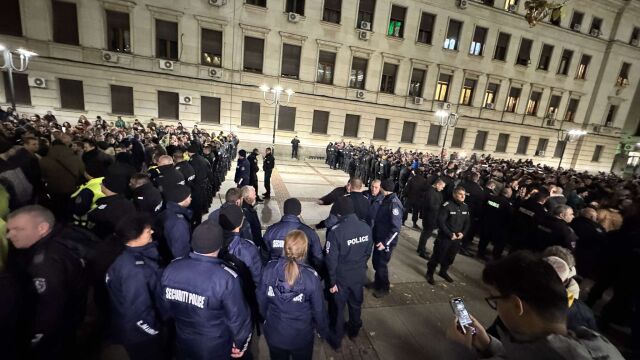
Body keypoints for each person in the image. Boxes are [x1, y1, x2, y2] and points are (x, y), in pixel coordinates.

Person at [447, 251, 623, 360]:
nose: (496, 307)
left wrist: (461, 348)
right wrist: (488, 345)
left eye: (495, 300)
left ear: (517, 305)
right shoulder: (588, 342)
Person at [6, 205, 88, 359]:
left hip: (54, 337)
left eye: (18, 229)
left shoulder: (45, 264)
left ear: (42, 228)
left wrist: (34, 340)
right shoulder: (59, 241)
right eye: (9, 230)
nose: (10, 236)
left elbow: (50, 309)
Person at [161, 222, 252, 360]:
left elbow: (165, 309)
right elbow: (239, 319)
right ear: (219, 245)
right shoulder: (226, 278)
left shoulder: (172, 269)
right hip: (216, 348)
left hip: (183, 343)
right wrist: (240, 344)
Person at [257, 230, 329, 359]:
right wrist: (322, 330)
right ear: (304, 250)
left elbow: (261, 302)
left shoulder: (269, 270)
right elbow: (319, 310)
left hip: (275, 334)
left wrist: (266, 319)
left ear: (285, 247)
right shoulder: (310, 277)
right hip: (302, 336)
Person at [105, 214, 165, 360]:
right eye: (147, 231)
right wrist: (153, 331)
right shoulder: (134, 271)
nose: (152, 232)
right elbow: (139, 311)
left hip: (131, 328)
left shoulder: (125, 257)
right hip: (140, 335)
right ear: (134, 237)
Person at [324, 197, 373, 349]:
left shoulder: (336, 232)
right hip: (358, 275)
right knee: (356, 304)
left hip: (341, 279)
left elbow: (331, 261)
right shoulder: (366, 227)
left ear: (339, 213)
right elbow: (367, 253)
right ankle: (353, 332)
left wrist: (331, 283)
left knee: (338, 310)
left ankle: (336, 340)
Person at [263, 198, 324, 272]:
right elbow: (318, 257)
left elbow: (264, 255)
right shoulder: (309, 233)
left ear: (284, 211)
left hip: (276, 272)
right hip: (300, 274)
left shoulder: (271, 230)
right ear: (299, 212)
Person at [426, 186, 470, 285]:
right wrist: (450, 234)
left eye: (464, 195)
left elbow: (467, 223)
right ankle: (430, 273)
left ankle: (443, 271)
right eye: (460, 194)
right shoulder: (447, 205)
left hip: (457, 239)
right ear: (454, 194)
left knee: (450, 257)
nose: (463, 196)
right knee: (437, 256)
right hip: (445, 238)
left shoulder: (465, 207)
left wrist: (463, 233)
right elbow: (441, 222)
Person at [371, 180, 403, 298]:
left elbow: (396, 228)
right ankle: (377, 283)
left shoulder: (394, 203)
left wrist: (385, 243)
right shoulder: (386, 198)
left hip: (385, 241)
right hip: (379, 238)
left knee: (381, 264)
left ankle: (384, 287)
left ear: (383, 188)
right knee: (376, 262)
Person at [477, 187, 513, 261]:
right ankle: (495, 257)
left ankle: (480, 253)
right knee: (498, 243)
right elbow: (509, 217)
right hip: (497, 227)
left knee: (484, 240)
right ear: (508, 194)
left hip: (486, 222)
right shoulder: (507, 205)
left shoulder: (491, 198)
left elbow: (483, 207)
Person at [417, 178, 445, 259]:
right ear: (437, 184)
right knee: (426, 234)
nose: (442, 188)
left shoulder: (437, 192)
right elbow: (431, 205)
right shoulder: (430, 192)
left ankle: (420, 248)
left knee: (426, 233)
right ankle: (421, 250)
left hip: (433, 216)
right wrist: (440, 208)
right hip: (429, 217)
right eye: (442, 187)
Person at [241, 186, 266, 252]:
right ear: (247, 197)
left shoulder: (248, 208)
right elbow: (252, 230)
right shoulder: (247, 212)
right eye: (254, 194)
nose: (255, 196)